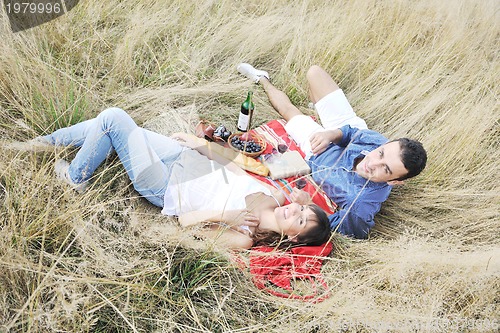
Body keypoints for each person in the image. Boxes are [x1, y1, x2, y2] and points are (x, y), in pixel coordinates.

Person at [27, 107, 331, 249]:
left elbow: (186, 224)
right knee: (107, 123)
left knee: (113, 119)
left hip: (165, 185)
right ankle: (42, 143)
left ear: (292, 237)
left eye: (301, 220)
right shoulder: (275, 197)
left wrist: (227, 214)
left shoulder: (244, 237)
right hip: (184, 157)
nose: (295, 211)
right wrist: (200, 143)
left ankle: (75, 176)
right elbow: (233, 166)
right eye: (303, 211)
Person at [237, 63, 427, 239]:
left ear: (394, 181)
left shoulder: (360, 204)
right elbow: (352, 132)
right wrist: (332, 134)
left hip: (318, 153)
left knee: (289, 111)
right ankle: (317, 109)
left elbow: (342, 229)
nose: (372, 163)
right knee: (315, 73)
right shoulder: (380, 143)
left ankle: (262, 78)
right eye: (380, 153)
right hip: (341, 131)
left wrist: (309, 204)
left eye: (385, 169)